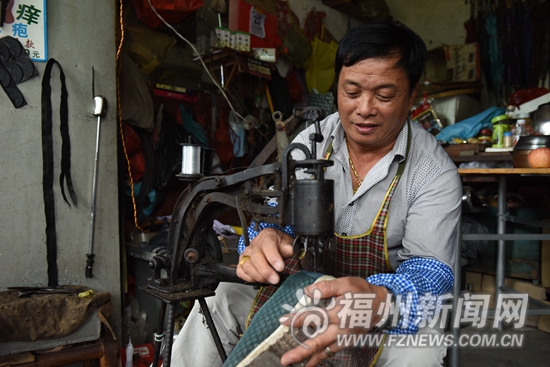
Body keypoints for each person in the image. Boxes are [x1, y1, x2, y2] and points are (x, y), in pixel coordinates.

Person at [171, 20, 461, 367]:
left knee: (423, 350)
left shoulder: (432, 172)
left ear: (412, 95)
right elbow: (277, 217)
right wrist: (265, 239)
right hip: (304, 287)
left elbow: (431, 274)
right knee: (222, 299)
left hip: (377, 304)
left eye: (384, 95)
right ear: (336, 85)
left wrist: (379, 298)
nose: (364, 108)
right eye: (351, 92)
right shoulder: (309, 144)